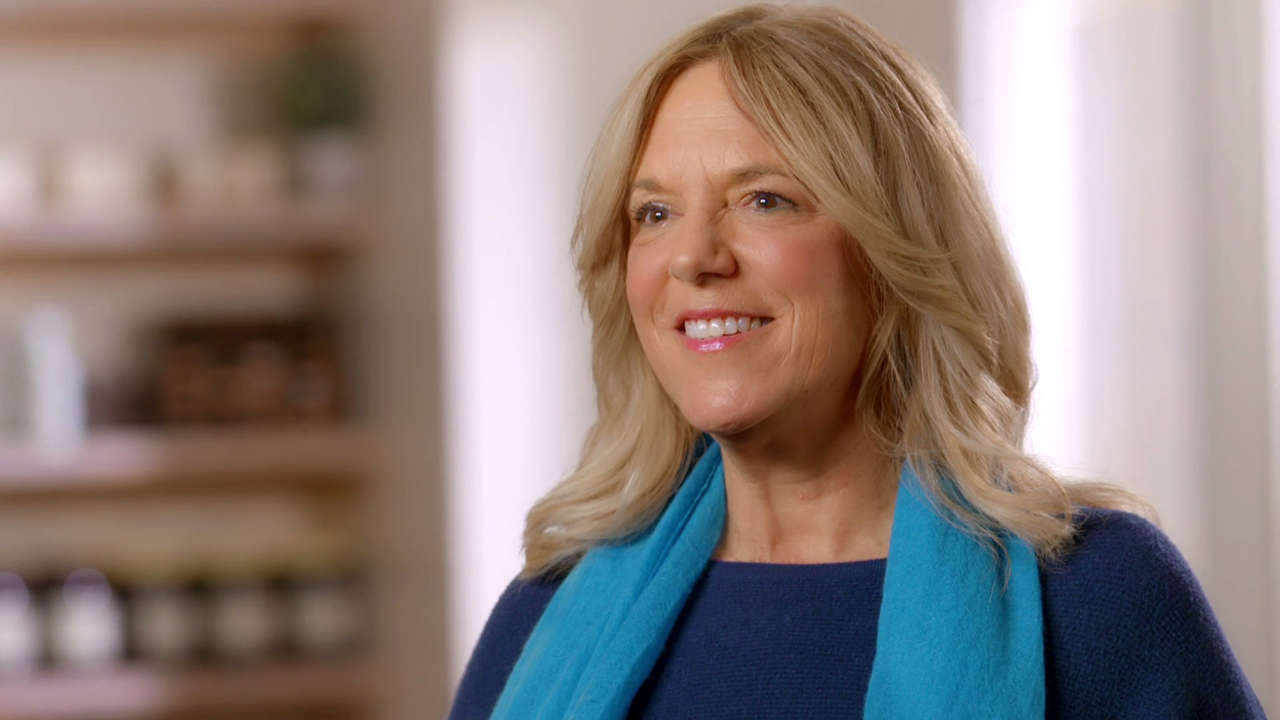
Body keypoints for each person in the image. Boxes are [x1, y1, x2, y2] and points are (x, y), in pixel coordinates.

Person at [448, 5, 1266, 719]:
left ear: (892, 249)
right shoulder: (546, 613)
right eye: (654, 213)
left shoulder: (1097, 601)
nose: (693, 257)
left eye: (765, 199)